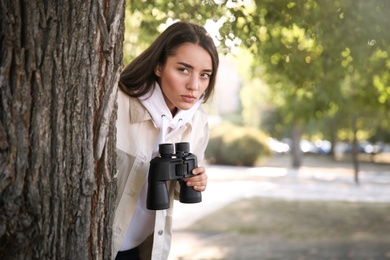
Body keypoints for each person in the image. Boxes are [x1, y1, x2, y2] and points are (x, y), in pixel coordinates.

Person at [113, 21, 219, 259]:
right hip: (100, 244)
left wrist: (194, 181)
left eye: (204, 75)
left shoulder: (198, 121)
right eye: (183, 69)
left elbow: (179, 191)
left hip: (142, 249)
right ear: (159, 66)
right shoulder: (116, 104)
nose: (194, 85)